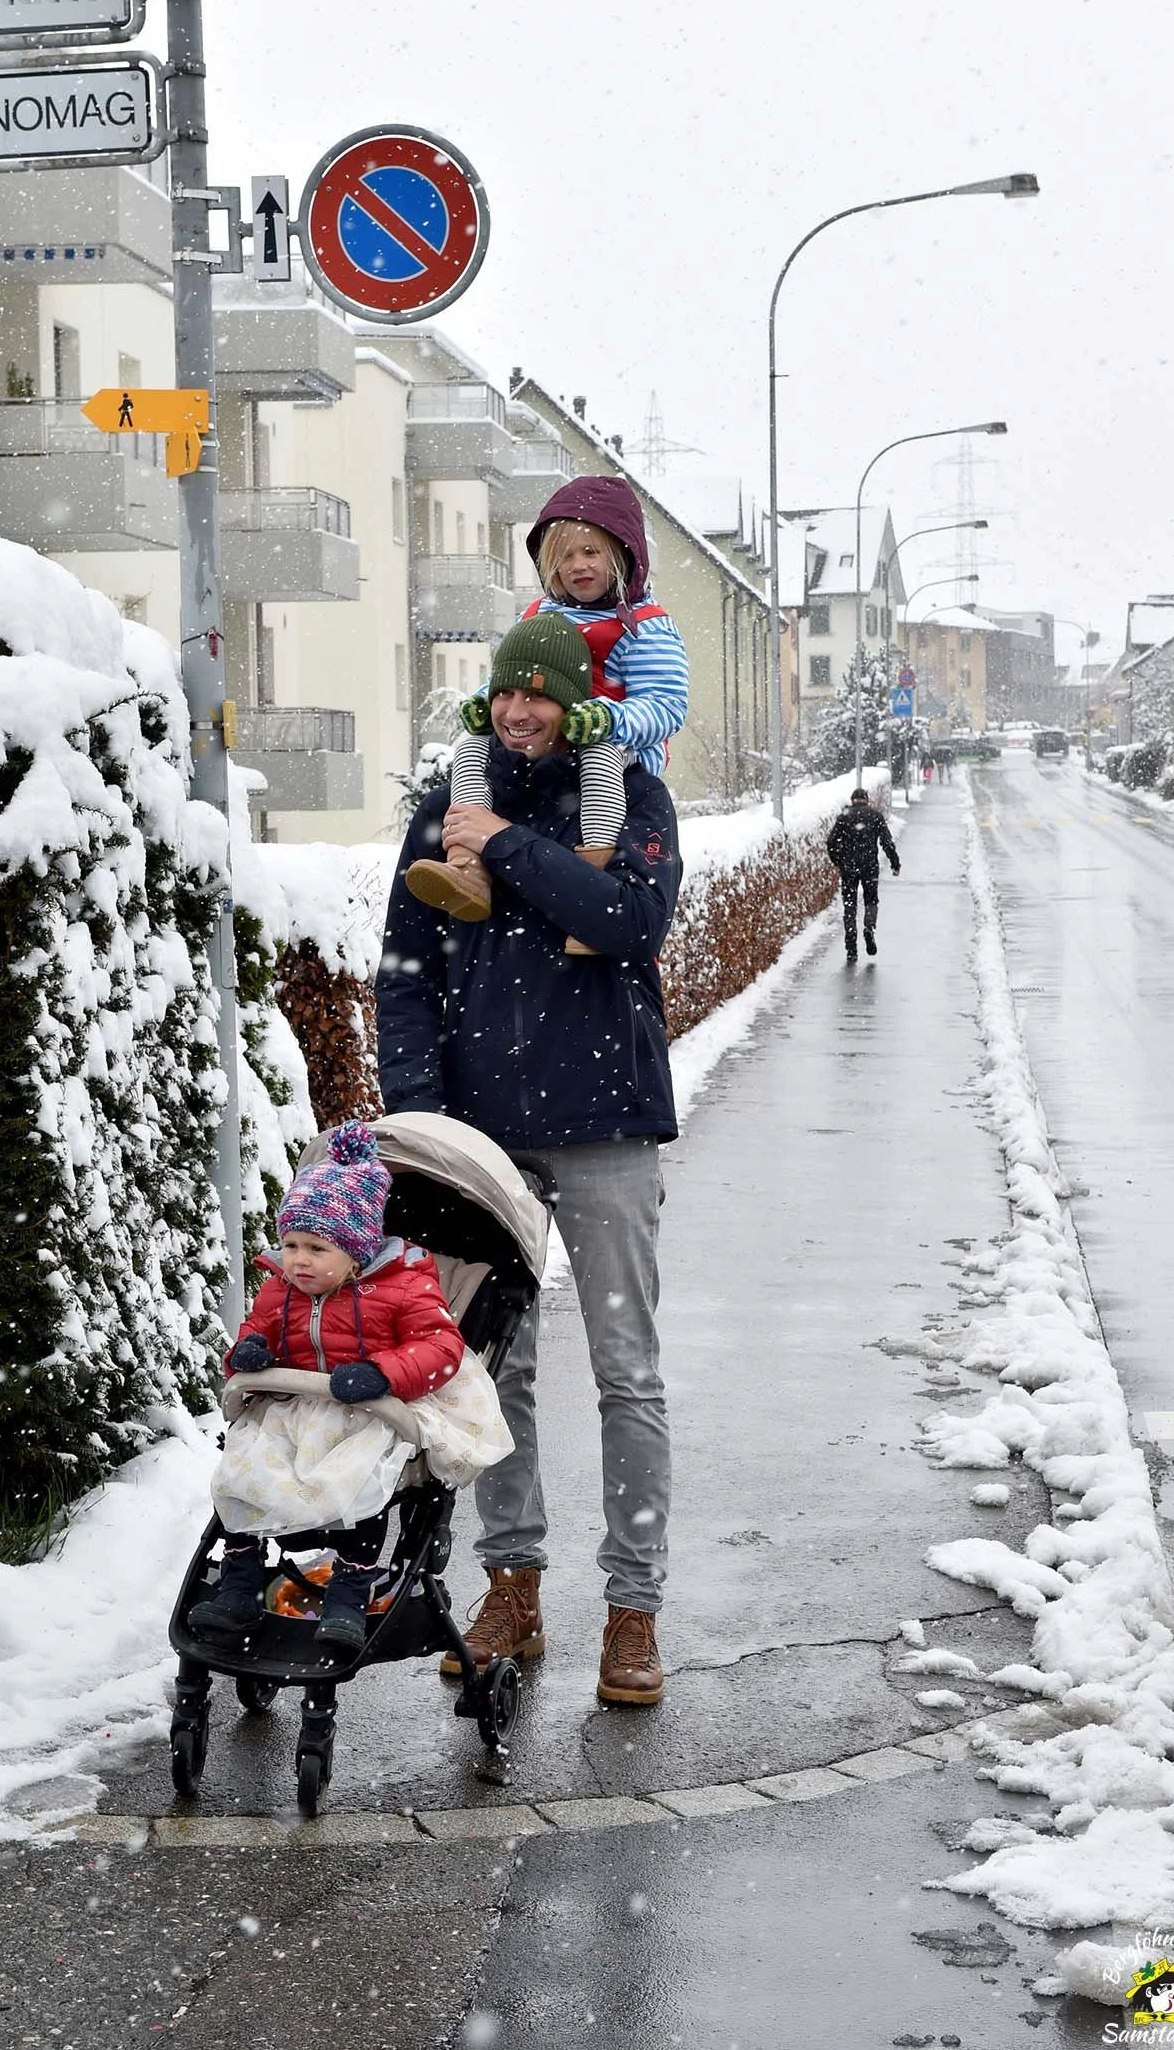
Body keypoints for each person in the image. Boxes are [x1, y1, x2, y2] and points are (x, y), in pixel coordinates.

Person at [377, 611, 683, 1705]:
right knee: (486, 1373)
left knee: (625, 1374)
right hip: (481, 1139)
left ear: (573, 702)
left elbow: (627, 919)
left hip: (604, 1122)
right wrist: (421, 1118)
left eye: (540, 695)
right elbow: (405, 970)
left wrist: (503, 844)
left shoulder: (631, 798)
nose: (518, 712)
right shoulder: (442, 805)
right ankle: (512, 1586)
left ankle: (631, 1607)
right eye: (506, 694)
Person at [190, 1122, 509, 1653]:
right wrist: (246, 1353)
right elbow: (255, 1332)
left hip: (369, 1410)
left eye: (316, 1248)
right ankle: (239, 1587)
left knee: (356, 1488)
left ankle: (348, 1593)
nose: (298, 1261)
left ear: (357, 1250)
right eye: (290, 1245)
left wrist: (384, 1372)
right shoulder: (280, 1288)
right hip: (294, 1406)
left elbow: (440, 1348)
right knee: (240, 1472)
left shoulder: (405, 1286)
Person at [404, 476, 688, 957]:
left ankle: (593, 884)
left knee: (598, 761)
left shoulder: (644, 625)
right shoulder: (537, 613)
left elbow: (665, 704)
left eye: (590, 553)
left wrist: (606, 720)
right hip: (544, 751)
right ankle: (467, 867)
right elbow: (512, 675)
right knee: (470, 748)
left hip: (617, 746)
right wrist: (481, 702)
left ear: (622, 555)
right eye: (563, 556)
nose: (577, 566)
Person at [826, 786, 900, 963]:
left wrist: (838, 860)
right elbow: (886, 841)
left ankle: (851, 947)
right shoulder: (875, 815)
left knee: (849, 906)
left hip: (849, 868)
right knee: (871, 900)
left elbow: (831, 842)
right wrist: (895, 862)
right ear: (867, 799)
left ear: (852, 800)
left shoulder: (844, 816)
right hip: (870, 867)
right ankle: (869, 927)